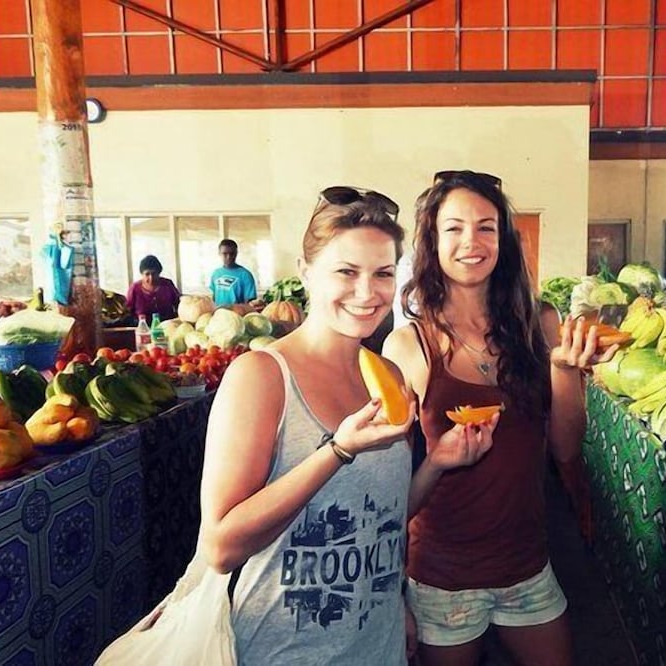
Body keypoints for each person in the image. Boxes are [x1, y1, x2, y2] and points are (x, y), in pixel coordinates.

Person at [198, 186, 495, 665]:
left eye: (382, 274)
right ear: (306, 272)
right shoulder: (262, 376)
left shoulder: (389, 375)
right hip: (286, 652)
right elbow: (221, 547)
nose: (367, 292)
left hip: (378, 646)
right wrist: (337, 450)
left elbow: (382, 515)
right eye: (346, 272)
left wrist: (438, 464)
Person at [383, 170, 613, 666]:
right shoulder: (409, 345)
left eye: (486, 227)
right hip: (442, 576)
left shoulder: (540, 324)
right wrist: (392, 592)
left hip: (527, 566)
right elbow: (391, 494)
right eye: (454, 228)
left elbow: (566, 448)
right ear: (432, 241)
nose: (472, 241)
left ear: (504, 240)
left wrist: (563, 370)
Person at [125, 254, 181, 321]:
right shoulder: (134, 288)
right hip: (142, 325)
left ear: (159, 273)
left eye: (154, 274)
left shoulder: (167, 285)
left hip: (167, 324)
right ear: (142, 274)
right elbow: (127, 310)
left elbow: (179, 304)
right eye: (147, 274)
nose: (151, 278)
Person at [210, 239, 257, 305]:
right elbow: (214, 298)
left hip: (238, 311)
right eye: (225, 254)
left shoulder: (245, 275)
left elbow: (250, 303)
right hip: (218, 311)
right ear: (219, 253)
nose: (228, 257)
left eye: (232, 254)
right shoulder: (216, 273)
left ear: (236, 253)